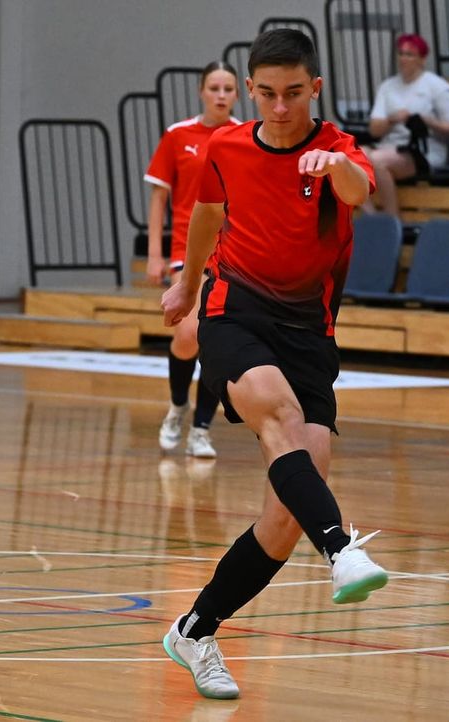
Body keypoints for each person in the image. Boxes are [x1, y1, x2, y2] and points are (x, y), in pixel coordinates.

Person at [159, 28, 388, 700]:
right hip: (236, 311)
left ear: (313, 88)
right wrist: (187, 283)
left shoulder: (335, 147)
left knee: (285, 517)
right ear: (250, 90)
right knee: (278, 415)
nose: (280, 107)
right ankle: (343, 552)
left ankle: (195, 629)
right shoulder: (227, 146)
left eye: (293, 93)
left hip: (310, 334)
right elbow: (205, 213)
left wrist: (331, 168)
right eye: (267, 94)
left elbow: (358, 191)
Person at [144, 61, 241, 458]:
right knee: (186, 337)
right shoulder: (178, 135)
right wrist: (155, 254)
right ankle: (177, 406)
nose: (221, 95)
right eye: (214, 87)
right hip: (188, 251)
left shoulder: (242, 137)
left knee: (213, 342)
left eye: (228, 88)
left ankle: (201, 427)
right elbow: (159, 198)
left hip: (232, 254)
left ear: (239, 93)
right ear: (202, 91)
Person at [363, 33, 449, 216]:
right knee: (349, 158)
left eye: (409, 54)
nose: (403, 59)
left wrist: (427, 120)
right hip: (389, 144)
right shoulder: (387, 86)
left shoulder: (437, 86)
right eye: (401, 53)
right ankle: (371, 215)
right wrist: (392, 119)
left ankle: (392, 219)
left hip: (424, 149)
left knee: (376, 160)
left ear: (422, 59)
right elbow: (374, 130)